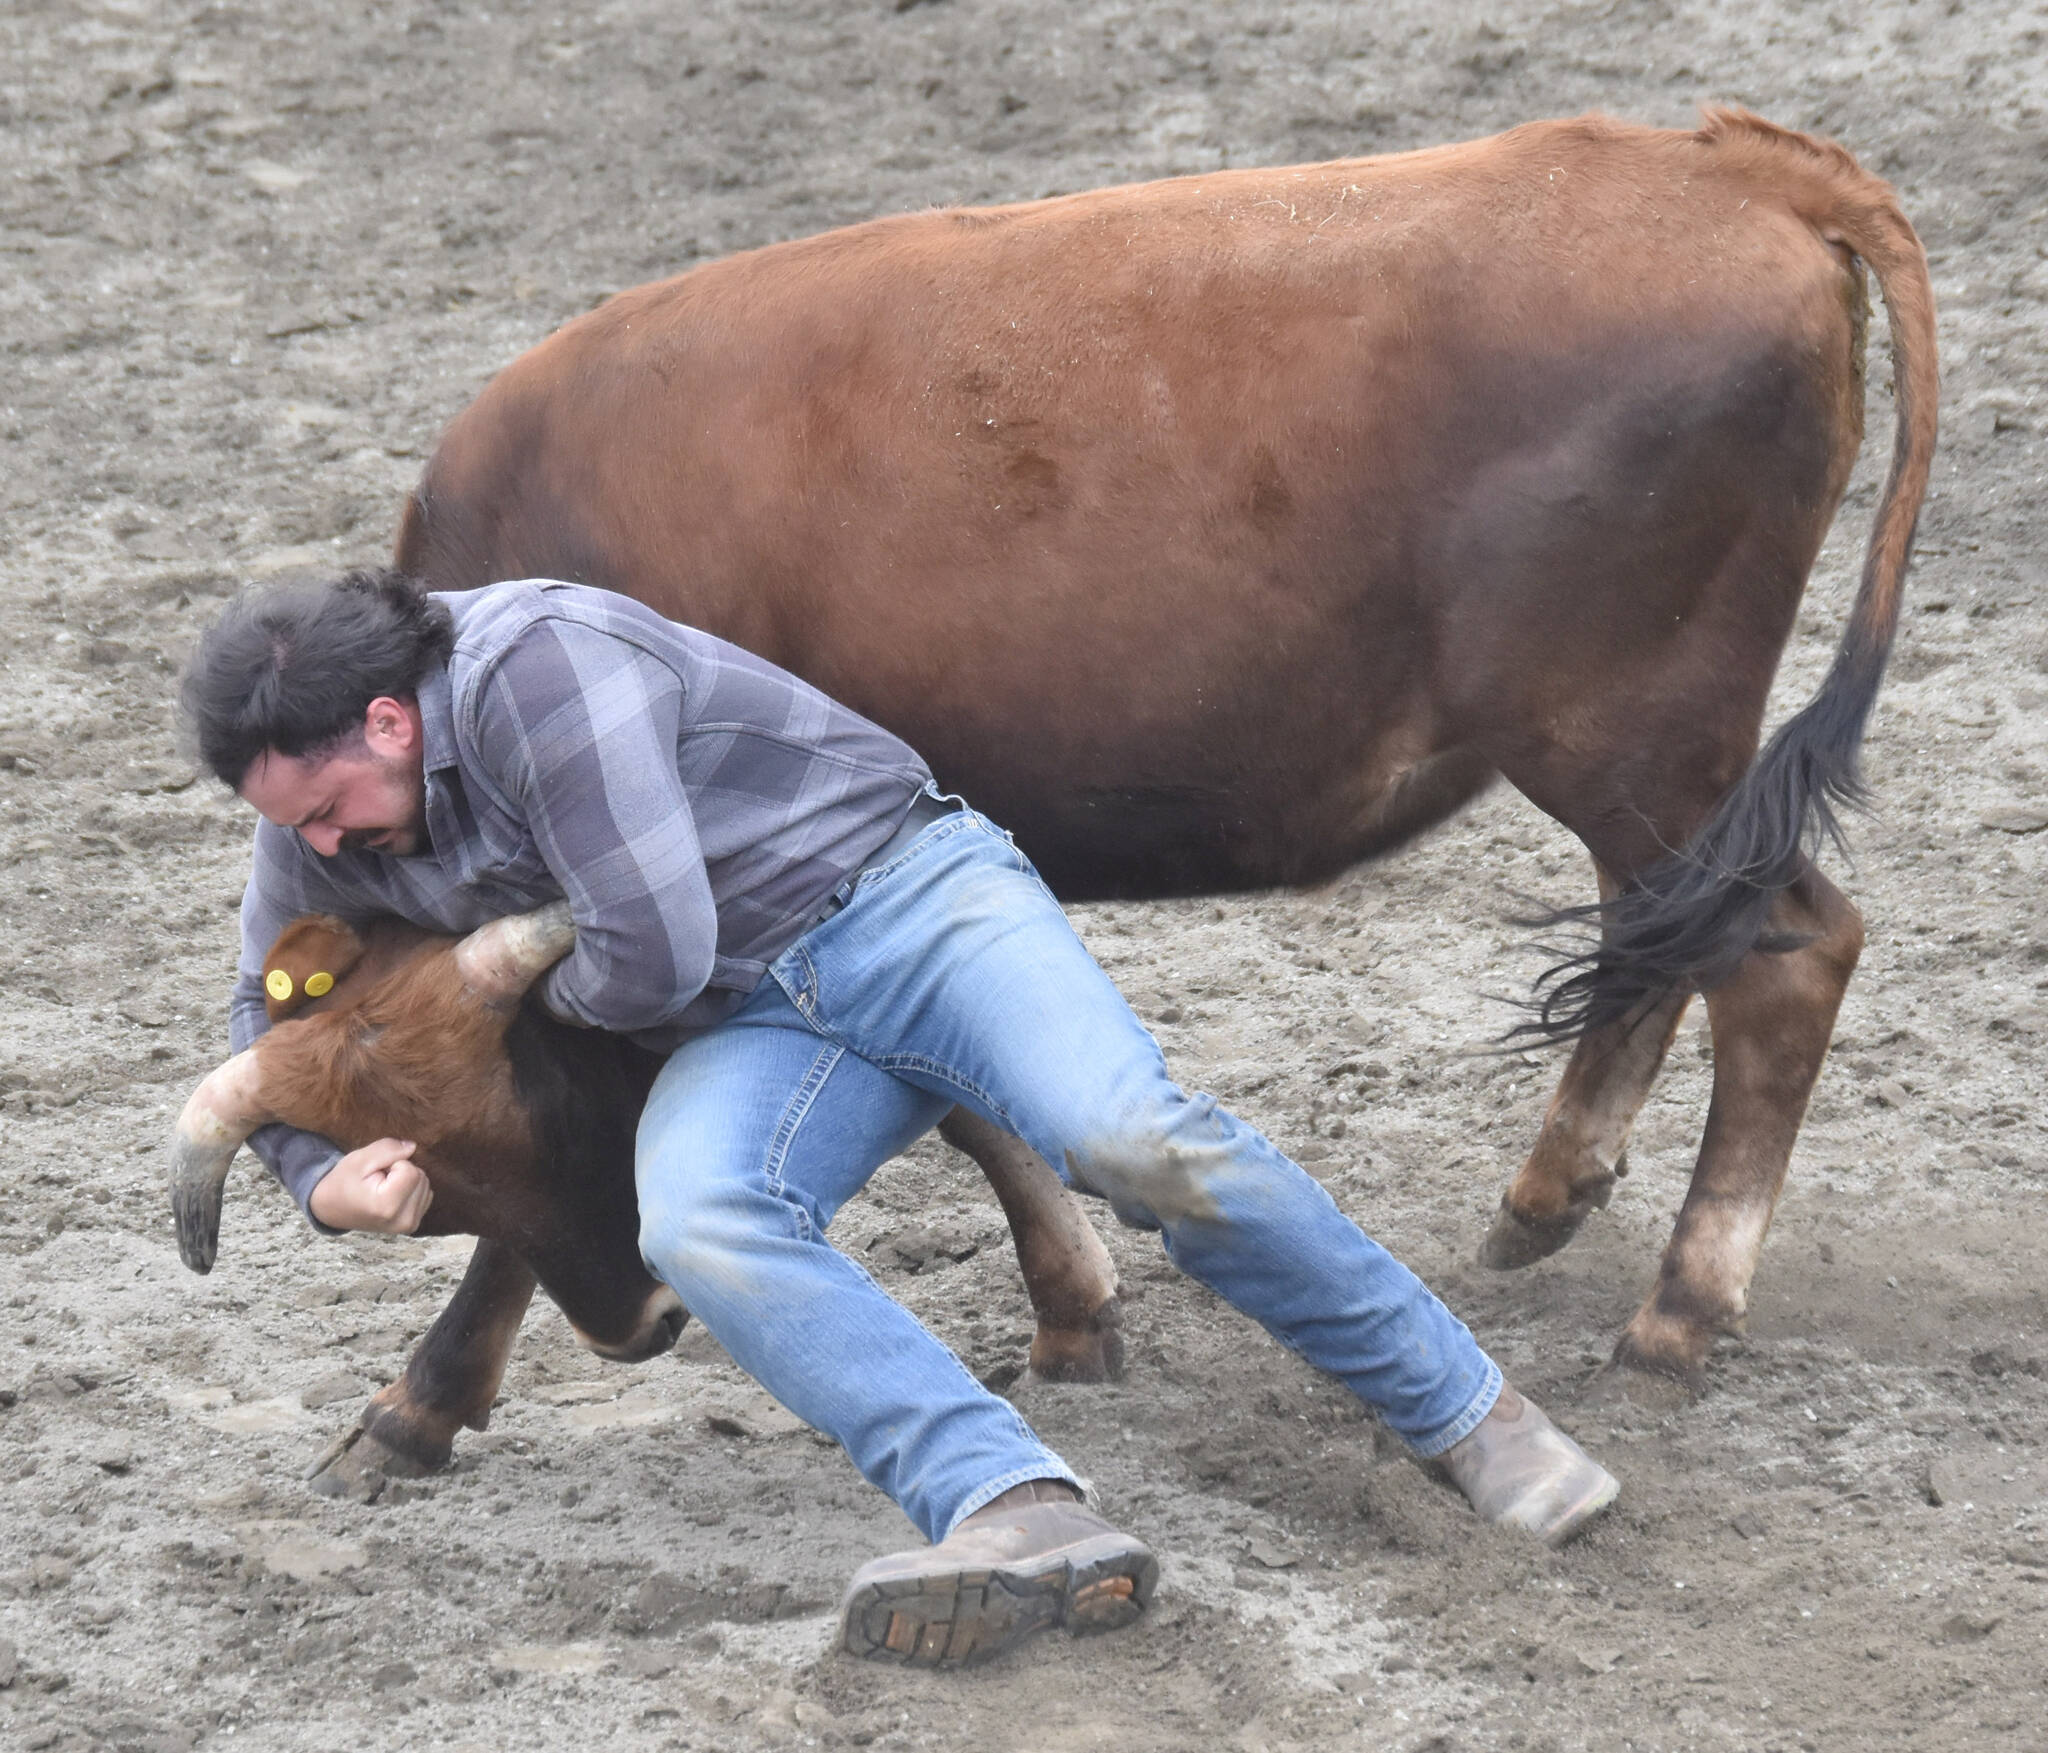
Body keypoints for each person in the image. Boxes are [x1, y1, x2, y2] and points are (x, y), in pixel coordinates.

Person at [181, 568, 1619, 1668]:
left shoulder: (540, 666)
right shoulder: (314, 810)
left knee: (1129, 1135)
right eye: (290, 827)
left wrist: (485, 1014)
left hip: (913, 903)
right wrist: (319, 1182)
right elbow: (267, 1029)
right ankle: (1009, 1501)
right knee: (702, 1215)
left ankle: (1471, 1415)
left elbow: (653, 951)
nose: (319, 848)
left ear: (387, 718)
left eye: (330, 809)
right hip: (756, 1021)